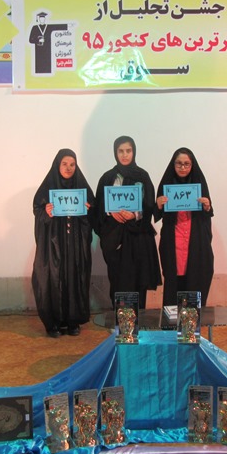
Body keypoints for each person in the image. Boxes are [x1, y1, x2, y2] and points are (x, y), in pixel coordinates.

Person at [32, 149, 95, 338]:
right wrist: (46, 213)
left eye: (72, 164)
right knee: (51, 280)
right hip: (53, 247)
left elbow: (94, 214)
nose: (69, 168)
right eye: (64, 164)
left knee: (75, 279)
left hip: (75, 246)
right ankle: (53, 323)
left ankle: (73, 321)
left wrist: (88, 211)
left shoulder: (82, 189)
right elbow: (38, 211)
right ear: (57, 165)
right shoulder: (47, 189)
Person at [94, 136, 161, 309]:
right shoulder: (108, 178)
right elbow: (98, 206)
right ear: (115, 153)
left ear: (134, 152)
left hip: (138, 238)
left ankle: (138, 320)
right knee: (118, 281)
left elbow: (149, 205)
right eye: (121, 151)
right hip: (115, 239)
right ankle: (121, 320)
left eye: (128, 151)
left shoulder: (142, 176)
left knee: (138, 280)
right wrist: (111, 212)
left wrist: (134, 215)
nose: (125, 155)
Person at [155, 147, 214, 307]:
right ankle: (172, 318)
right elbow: (157, 214)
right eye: (179, 163)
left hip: (195, 242)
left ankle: (191, 319)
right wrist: (158, 204)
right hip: (173, 242)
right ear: (173, 164)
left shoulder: (199, 184)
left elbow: (208, 213)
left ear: (192, 165)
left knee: (195, 277)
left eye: (186, 164)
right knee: (174, 280)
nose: (182, 167)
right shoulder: (167, 184)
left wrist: (207, 206)